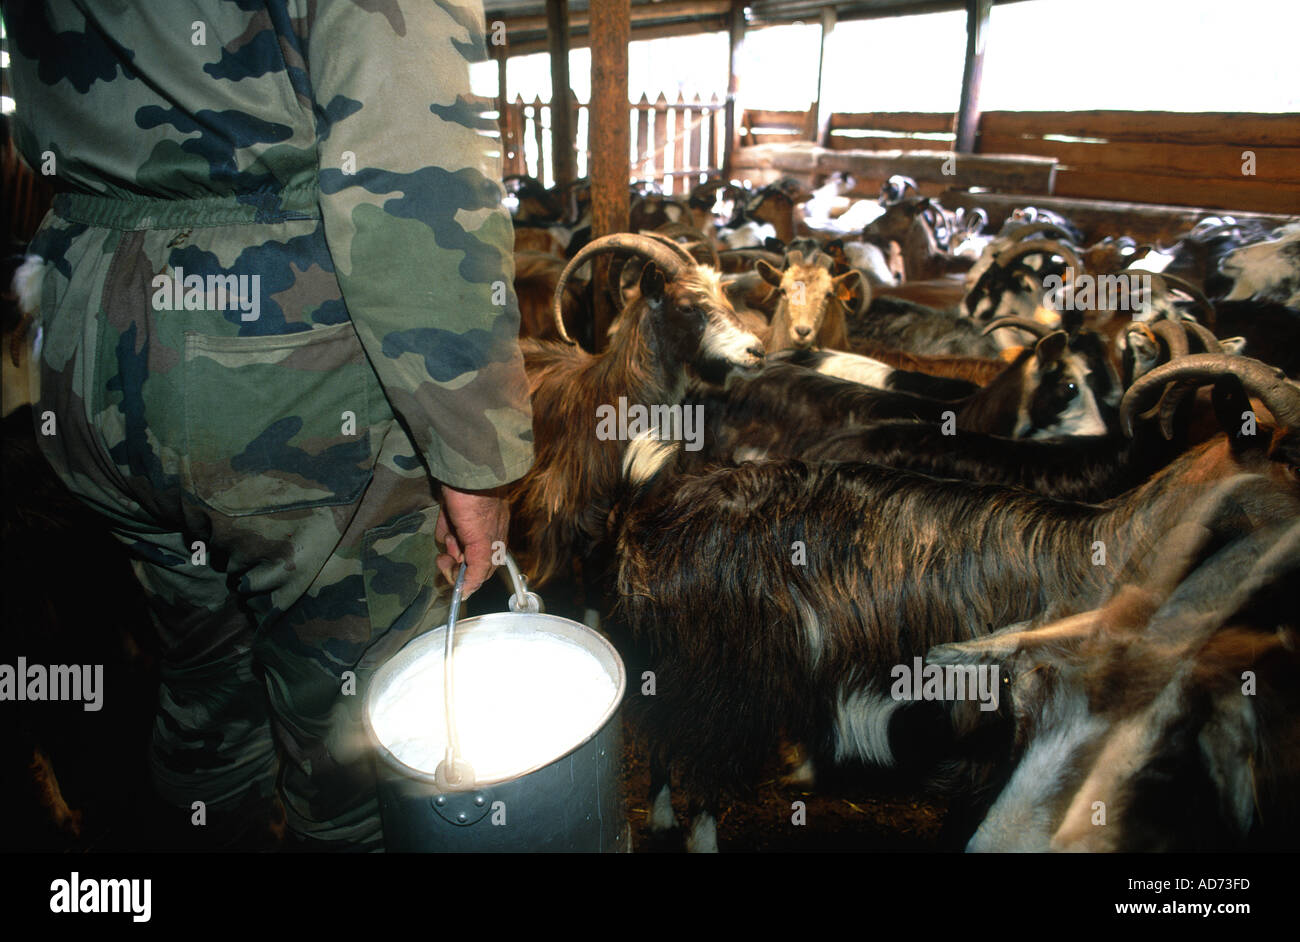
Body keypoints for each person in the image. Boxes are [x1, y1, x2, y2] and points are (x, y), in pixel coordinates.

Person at [5, 0, 533, 850]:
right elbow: (412, 168)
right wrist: (472, 453)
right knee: (355, 742)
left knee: (205, 685)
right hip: (270, 353)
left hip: (85, 334)